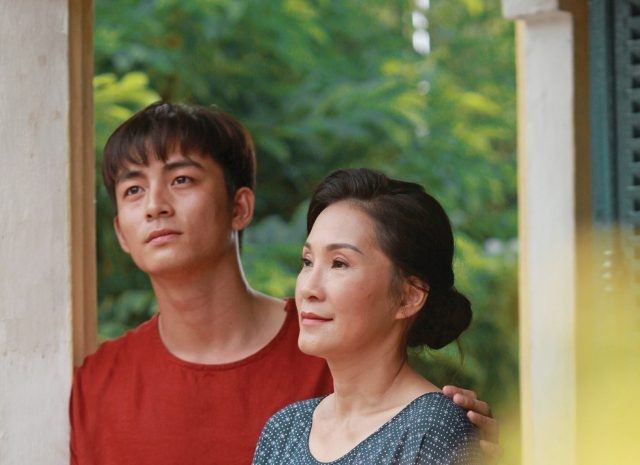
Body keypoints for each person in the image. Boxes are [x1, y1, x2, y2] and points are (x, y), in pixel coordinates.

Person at [70, 102, 498, 465]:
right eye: (133, 189)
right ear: (119, 231)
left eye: (181, 179)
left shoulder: (337, 339)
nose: (155, 206)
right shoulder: (99, 383)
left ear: (240, 206)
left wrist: (452, 432)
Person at [253, 168, 483, 464]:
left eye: (339, 263)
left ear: (408, 296)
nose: (308, 288)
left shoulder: (434, 430)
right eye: (307, 261)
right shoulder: (284, 430)